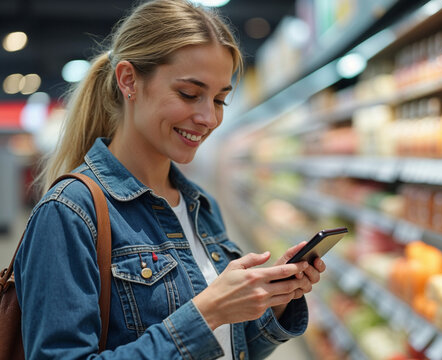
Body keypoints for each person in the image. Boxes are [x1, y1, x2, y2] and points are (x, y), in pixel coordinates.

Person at [13, 0, 325, 358]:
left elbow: (227, 346)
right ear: (128, 80)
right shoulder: (69, 213)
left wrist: (275, 302)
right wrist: (207, 313)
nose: (208, 117)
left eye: (220, 100)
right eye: (189, 94)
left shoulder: (200, 207)